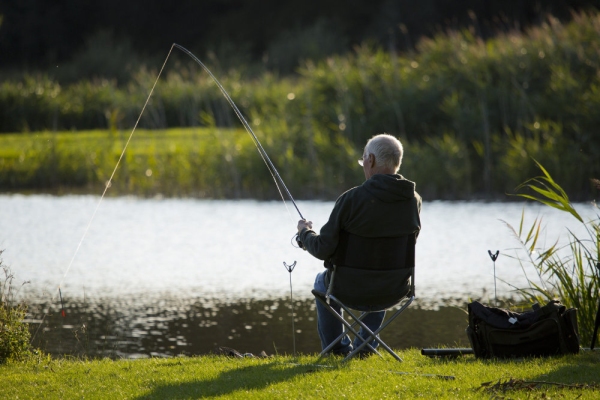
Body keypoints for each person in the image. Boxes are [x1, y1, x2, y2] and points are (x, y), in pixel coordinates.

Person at [297, 133, 421, 356]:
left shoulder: (352, 199)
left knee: (321, 282)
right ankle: (365, 347)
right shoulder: (413, 200)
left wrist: (305, 233)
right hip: (394, 288)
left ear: (370, 160)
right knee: (380, 272)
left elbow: (323, 248)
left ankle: (337, 350)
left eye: (364, 160)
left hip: (348, 288)